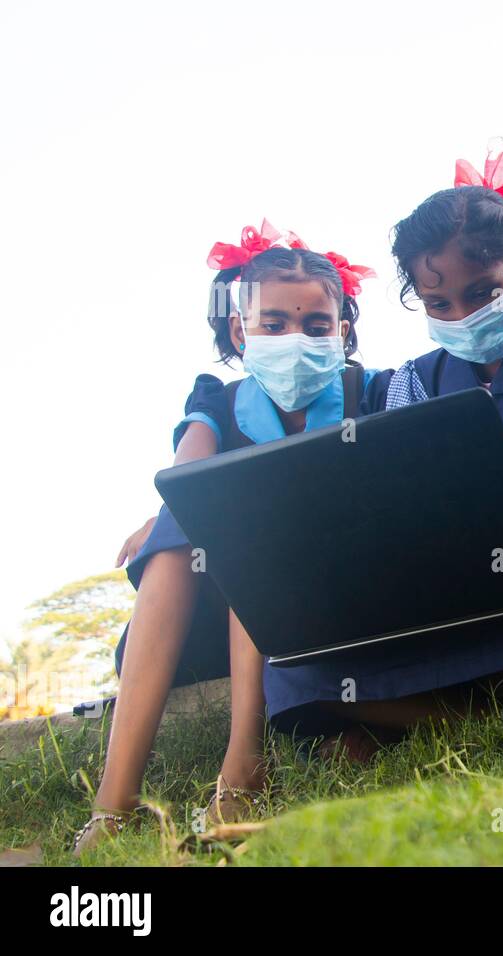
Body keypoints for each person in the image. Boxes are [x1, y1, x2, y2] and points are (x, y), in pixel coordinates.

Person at [259, 170, 503, 745]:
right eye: (438, 302)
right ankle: (499, 713)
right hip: (446, 584)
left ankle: (426, 714)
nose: (461, 316)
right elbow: (397, 504)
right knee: (293, 666)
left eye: (481, 294)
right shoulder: (413, 383)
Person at [77, 224, 378, 854]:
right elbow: (190, 481)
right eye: (273, 323)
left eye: (316, 326)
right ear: (241, 332)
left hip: (330, 609)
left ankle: (243, 767)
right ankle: (114, 805)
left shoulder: (369, 392)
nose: (295, 340)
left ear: (341, 332)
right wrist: (167, 515)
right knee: (214, 512)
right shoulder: (217, 401)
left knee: (248, 513)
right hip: (212, 629)